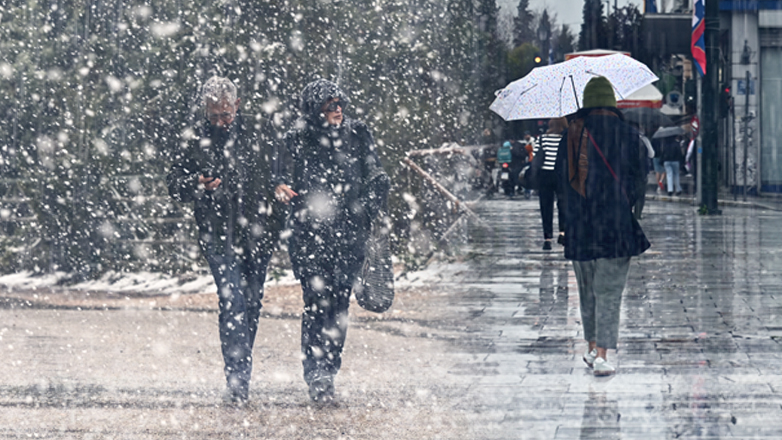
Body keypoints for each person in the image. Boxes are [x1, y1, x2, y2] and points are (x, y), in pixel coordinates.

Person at [166, 76, 285, 405]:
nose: (221, 121)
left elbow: (280, 170)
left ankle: (240, 368)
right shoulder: (194, 138)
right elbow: (173, 183)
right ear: (205, 110)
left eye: (226, 114)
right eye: (214, 115)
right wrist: (197, 184)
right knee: (232, 302)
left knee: (252, 303)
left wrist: (279, 188)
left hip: (259, 232)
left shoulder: (262, 132)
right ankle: (237, 380)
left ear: (238, 105)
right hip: (218, 234)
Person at [274, 79, 390, 402]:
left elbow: (377, 177)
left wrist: (364, 210)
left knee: (339, 305)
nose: (337, 109)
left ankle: (330, 369)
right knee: (315, 304)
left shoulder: (357, 134)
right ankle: (316, 373)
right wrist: (281, 188)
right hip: (310, 237)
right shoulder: (297, 139)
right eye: (329, 105)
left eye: (339, 103)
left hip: (349, 237)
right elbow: (278, 174)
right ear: (315, 110)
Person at [555, 76, 651, 376]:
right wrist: (628, 206)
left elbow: (559, 184)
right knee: (609, 292)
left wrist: (564, 223)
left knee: (587, 290)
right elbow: (639, 181)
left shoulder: (571, 135)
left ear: (586, 103)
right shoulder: (629, 135)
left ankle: (592, 345)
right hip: (617, 226)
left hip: (580, 226)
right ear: (612, 102)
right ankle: (602, 354)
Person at [534, 117, 567, 250]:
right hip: (562, 174)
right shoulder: (566, 138)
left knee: (546, 206)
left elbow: (536, 156)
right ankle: (563, 233)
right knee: (563, 204)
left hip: (545, 175)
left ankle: (547, 238)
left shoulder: (542, 138)